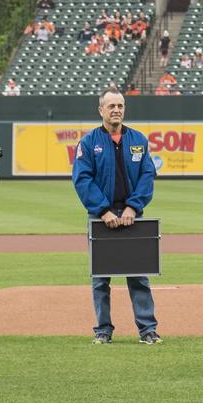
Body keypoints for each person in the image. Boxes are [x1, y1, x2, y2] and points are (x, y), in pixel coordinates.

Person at [71, 88, 161, 344]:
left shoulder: (138, 140)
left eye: (120, 106)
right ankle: (102, 331)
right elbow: (82, 179)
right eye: (111, 106)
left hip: (133, 215)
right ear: (101, 110)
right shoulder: (89, 143)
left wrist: (133, 206)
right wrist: (103, 210)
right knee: (100, 278)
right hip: (101, 218)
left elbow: (147, 175)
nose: (116, 110)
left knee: (138, 275)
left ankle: (148, 330)